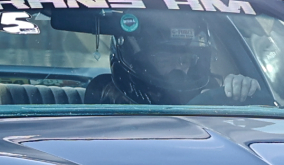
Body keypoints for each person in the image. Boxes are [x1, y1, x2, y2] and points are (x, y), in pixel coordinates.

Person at [86, 13, 265, 106]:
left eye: (185, 61)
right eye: (165, 61)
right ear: (139, 63)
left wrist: (240, 88)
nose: (180, 70)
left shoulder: (212, 99)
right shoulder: (107, 106)